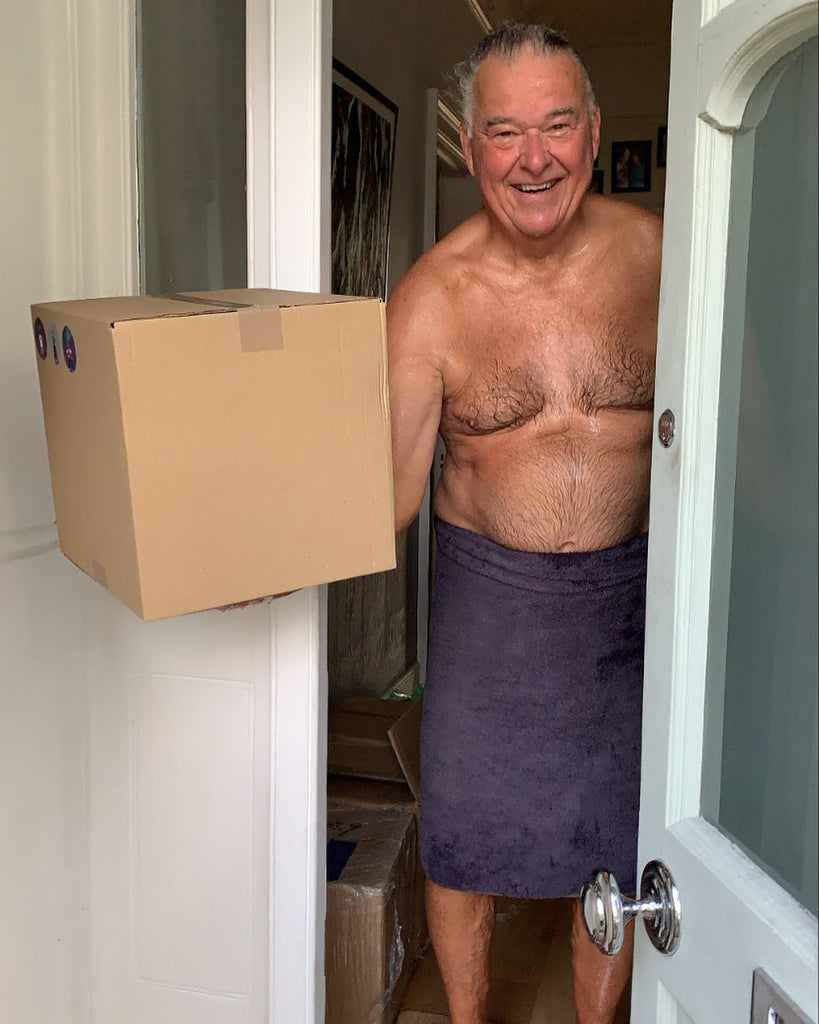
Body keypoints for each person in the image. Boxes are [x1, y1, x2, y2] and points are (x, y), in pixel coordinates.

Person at [386, 22, 662, 1024]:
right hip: (488, 602)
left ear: (594, 134)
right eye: (506, 132)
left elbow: (742, 443)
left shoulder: (663, 261)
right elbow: (391, 493)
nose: (533, 157)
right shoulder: (428, 299)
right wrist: (270, 541)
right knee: (463, 837)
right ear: (471, 147)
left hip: (629, 605)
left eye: (556, 126)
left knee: (623, 836)